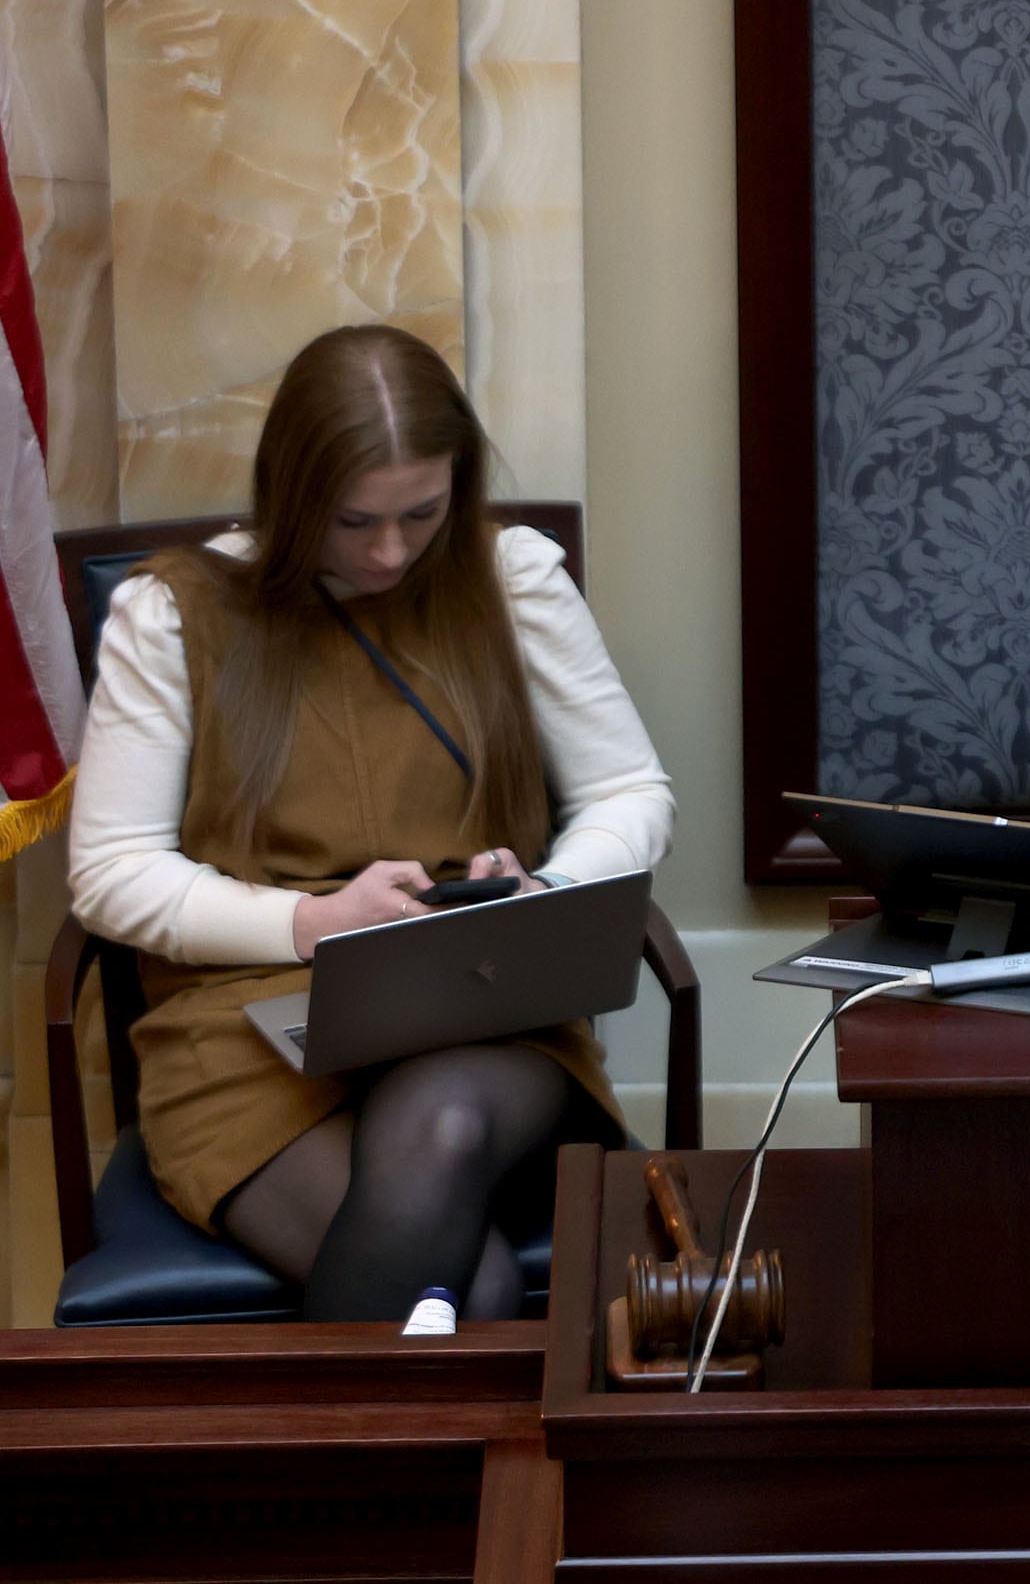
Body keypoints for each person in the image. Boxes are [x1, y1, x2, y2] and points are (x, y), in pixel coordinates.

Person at [67, 325, 673, 1322]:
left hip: (478, 1003)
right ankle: (442, 1480)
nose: (391, 552)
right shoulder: (174, 613)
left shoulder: (511, 577)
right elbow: (110, 873)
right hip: (246, 1028)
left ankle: (313, 1475)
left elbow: (631, 793)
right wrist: (310, 925)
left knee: (442, 1127)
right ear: (292, 491)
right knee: (469, 1289)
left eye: (421, 514)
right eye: (354, 521)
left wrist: (546, 894)